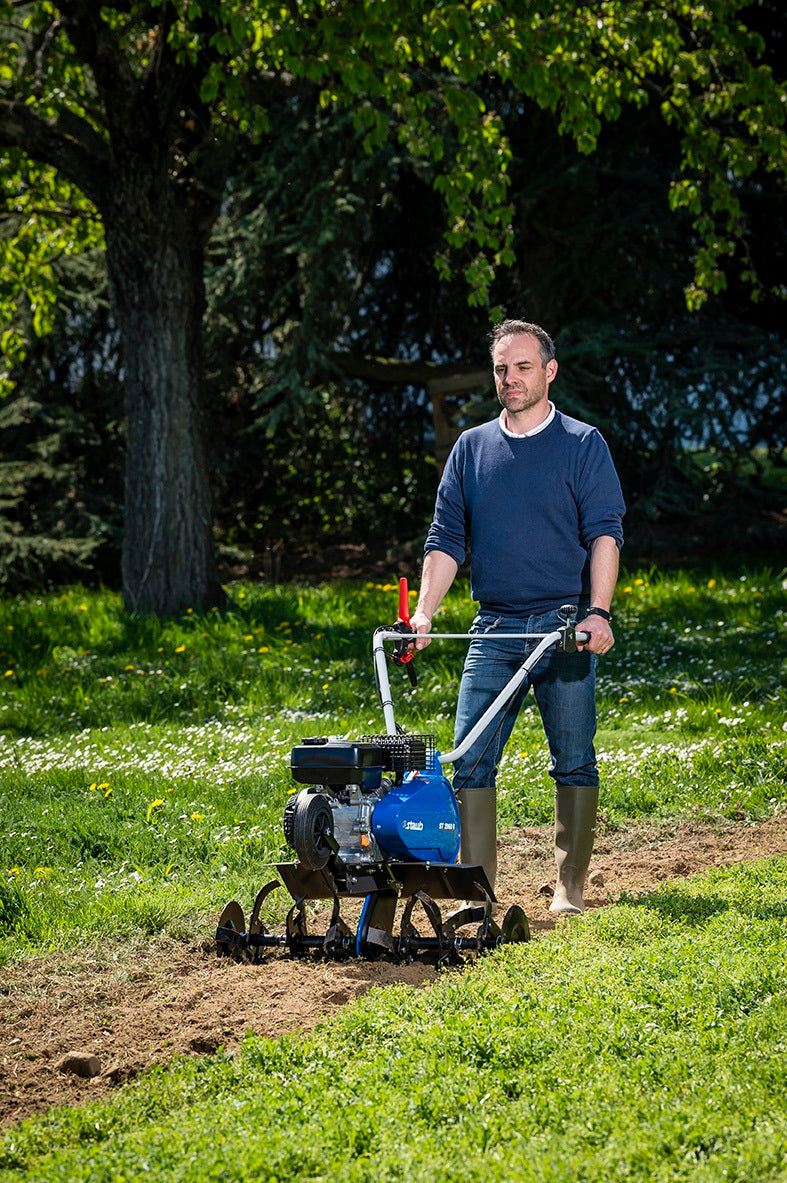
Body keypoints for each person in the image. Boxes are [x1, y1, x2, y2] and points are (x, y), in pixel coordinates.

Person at [410, 319, 625, 915]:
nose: (511, 378)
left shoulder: (582, 444)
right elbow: (445, 540)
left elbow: (605, 534)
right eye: (502, 368)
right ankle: (476, 894)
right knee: (469, 760)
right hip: (493, 629)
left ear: (549, 371)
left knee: (573, 759)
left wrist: (598, 612)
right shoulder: (471, 449)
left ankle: (569, 888)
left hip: (564, 630)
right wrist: (424, 613)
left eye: (523, 367)